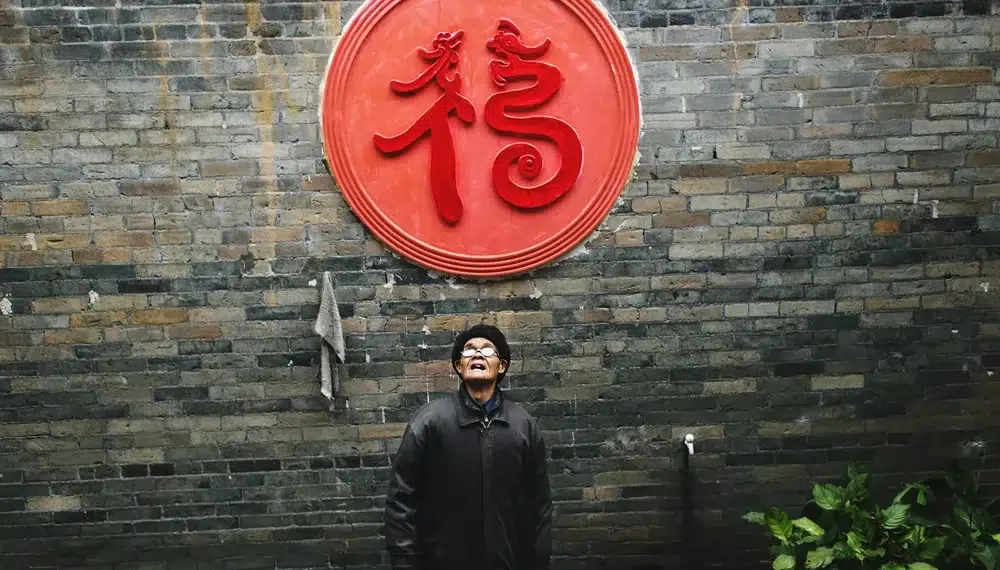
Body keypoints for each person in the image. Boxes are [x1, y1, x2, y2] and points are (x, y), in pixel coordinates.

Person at [384, 324, 553, 570]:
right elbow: (401, 501)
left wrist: (538, 561)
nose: (477, 354)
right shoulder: (430, 422)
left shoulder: (523, 426)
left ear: (502, 366)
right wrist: (405, 562)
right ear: (458, 367)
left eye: (487, 350)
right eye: (468, 350)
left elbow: (540, 505)